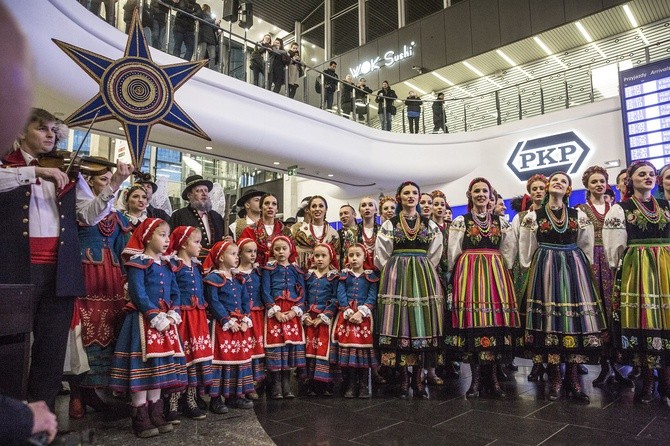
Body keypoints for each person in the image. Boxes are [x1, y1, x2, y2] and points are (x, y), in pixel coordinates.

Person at [0, 108, 133, 412]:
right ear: (20, 132)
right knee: (10, 349)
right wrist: (35, 172)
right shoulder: (8, 165)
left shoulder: (67, 172)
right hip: (14, 271)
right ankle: (9, 418)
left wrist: (114, 186)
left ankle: (41, 418)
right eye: (42, 129)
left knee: (50, 349)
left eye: (53, 130)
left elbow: (86, 215)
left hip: (60, 271)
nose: (51, 135)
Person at [519, 171, 607, 403]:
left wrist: (582, 267)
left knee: (574, 322)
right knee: (550, 322)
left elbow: (586, 244)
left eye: (564, 181)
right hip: (546, 267)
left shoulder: (578, 215)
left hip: (572, 267)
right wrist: (533, 268)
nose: (558, 183)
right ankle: (556, 377)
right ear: (548, 186)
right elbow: (526, 249)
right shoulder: (533, 216)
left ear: (568, 189)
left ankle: (574, 378)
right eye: (554, 180)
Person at [109, 218, 186, 438]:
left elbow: (175, 293)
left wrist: (173, 313)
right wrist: (153, 315)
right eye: (161, 234)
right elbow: (138, 293)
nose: (166, 239)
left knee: (158, 369)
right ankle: (140, 415)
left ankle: (156, 412)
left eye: (168, 235)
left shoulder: (167, 265)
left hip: (165, 324)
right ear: (147, 237)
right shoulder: (137, 263)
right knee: (142, 369)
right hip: (143, 323)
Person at [603, 160, 670, 404]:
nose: (648, 177)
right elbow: (615, 246)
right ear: (631, 179)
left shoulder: (666, 205)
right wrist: (621, 270)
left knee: (666, 319)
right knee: (644, 320)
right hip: (638, 268)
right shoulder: (621, 208)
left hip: (666, 268)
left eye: (652, 174)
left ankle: (666, 380)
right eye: (642, 174)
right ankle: (649, 381)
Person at [446, 177, 519, 399]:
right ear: (470, 195)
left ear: (490, 195)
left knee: (494, 324)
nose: (481, 194)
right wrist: (456, 275)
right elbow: (453, 252)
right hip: (469, 273)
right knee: (474, 324)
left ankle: (494, 378)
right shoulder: (461, 221)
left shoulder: (500, 222)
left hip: (495, 273)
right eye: (476, 191)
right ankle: (476, 379)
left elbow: (509, 251)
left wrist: (503, 272)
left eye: (484, 191)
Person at [68, 166, 132, 420]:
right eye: (103, 179)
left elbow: (124, 250)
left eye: (110, 179)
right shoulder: (79, 210)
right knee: (81, 334)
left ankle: (94, 392)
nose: (108, 182)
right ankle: (76, 393)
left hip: (111, 279)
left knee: (107, 331)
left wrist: (127, 279)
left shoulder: (117, 217)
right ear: (90, 183)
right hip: (84, 275)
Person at [374, 181, 445, 398]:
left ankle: (418, 379)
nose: (411, 196)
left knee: (421, 326)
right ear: (399, 198)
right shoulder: (389, 224)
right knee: (401, 325)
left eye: (415, 193)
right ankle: (405, 379)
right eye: (407, 193)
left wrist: (423, 267)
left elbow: (436, 251)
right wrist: (393, 271)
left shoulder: (429, 224)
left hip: (423, 275)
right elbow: (381, 255)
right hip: (397, 276)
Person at [577, 166, 632, 388]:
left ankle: (618, 363)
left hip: (615, 262)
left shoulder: (617, 208)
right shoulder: (581, 210)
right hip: (591, 263)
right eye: (594, 182)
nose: (599, 185)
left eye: (602, 181)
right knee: (597, 312)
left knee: (615, 310)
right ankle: (603, 365)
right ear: (587, 186)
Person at [167, 226, 213, 421]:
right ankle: (173, 401)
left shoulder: (196, 266)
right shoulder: (174, 265)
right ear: (184, 243)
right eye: (196, 241)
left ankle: (192, 399)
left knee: (196, 358)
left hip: (197, 316)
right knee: (182, 358)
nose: (200, 245)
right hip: (183, 317)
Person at [203, 241, 255, 412]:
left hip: (239, 325)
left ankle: (235, 395)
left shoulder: (238, 278)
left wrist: (245, 318)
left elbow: (246, 299)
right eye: (232, 254)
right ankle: (216, 398)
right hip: (223, 326)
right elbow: (214, 302)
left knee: (239, 360)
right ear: (220, 257)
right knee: (221, 361)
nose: (237, 257)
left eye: (237, 254)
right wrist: (226, 319)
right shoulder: (213, 279)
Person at [510, 174, 547, 382]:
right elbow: (514, 244)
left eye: (542, 187)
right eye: (535, 188)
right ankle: (537, 362)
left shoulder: (557, 212)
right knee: (533, 317)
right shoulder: (521, 217)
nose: (539, 191)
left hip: (552, 267)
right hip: (528, 270)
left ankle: (559, 362)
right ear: (530, 192)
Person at [261, 236, 306, 399]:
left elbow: (302, 292)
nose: (280, 252)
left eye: (284, 248)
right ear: (272, 251)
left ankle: (287, 385)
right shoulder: (268, 269)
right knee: (276, 346)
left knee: (288, 347)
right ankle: (276, 385)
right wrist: (275, 310)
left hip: (291, 312)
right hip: (276, 312)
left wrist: (295, 311)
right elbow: (265, 291)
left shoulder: (297, 270)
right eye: (277, 249)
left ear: (290, 249)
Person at [333, 244, 379, 399]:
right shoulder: (344, 276)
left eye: (357, 255)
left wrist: (361, 312)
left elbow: (372, 296)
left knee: (363, 351)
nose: (354, 258)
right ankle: (351, 384)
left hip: (363, 319)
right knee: (350, 350)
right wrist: (347, 309)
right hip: (347, 317)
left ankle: (364, 384)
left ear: (364, 257)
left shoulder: (370, 276)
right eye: (351, 255)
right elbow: (340, 294)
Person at [303, 243, 339, 396]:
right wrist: (305, 315)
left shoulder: (334, 277)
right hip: (310, 317)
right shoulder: (309, 276)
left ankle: (325, 383)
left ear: (330, 257)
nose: (319, 259)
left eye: (323, 256)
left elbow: (335, 298)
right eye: (317, 255)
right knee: (310, 349)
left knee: (324, 349)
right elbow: (303, 296)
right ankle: (311, 382)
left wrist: (326, 315)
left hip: (324, 319)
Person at [236, 238, 265, 398]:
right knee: (245, 348)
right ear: (240, 253)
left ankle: (257, 380)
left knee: (256, 347)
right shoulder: (235, 273)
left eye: (255, 251)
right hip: (243, 315)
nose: (253, 254)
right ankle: (244, 383)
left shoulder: (259, 272)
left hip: (257, 313)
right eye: (249, 251)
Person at [171, 174, 225, 258]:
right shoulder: (179, 215)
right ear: (189, 195)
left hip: (214, 263)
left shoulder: (216, 216)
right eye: (198, 191)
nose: (204, 194)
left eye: (206, 190)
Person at [240, 193, 290, 266]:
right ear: (260, 208)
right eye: (266, 203)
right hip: (256, 271)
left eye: (274, 204)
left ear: (277, 209)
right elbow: (243, 252)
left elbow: (292, 254)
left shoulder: (285, 231)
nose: (270, 206)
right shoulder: (249, 230)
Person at [291, 195, 339, 270]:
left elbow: (336, 258)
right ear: (309, 210)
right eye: (314, 206)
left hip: (326, 277)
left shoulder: (333, 234)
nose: (317, 209)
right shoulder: (299, 232)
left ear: (326, 209)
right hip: (303, 275)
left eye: (321, 206)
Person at [197, 4, 220, 71]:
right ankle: (198, 67)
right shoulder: (201, 14)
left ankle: (211, 70)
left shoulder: (210, 18)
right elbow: (203, 20)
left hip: (210, 37)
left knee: (212, 56)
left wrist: (217, 25)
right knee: (202, 53)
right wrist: (213, 21)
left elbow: (214, 28)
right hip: (203, 36)